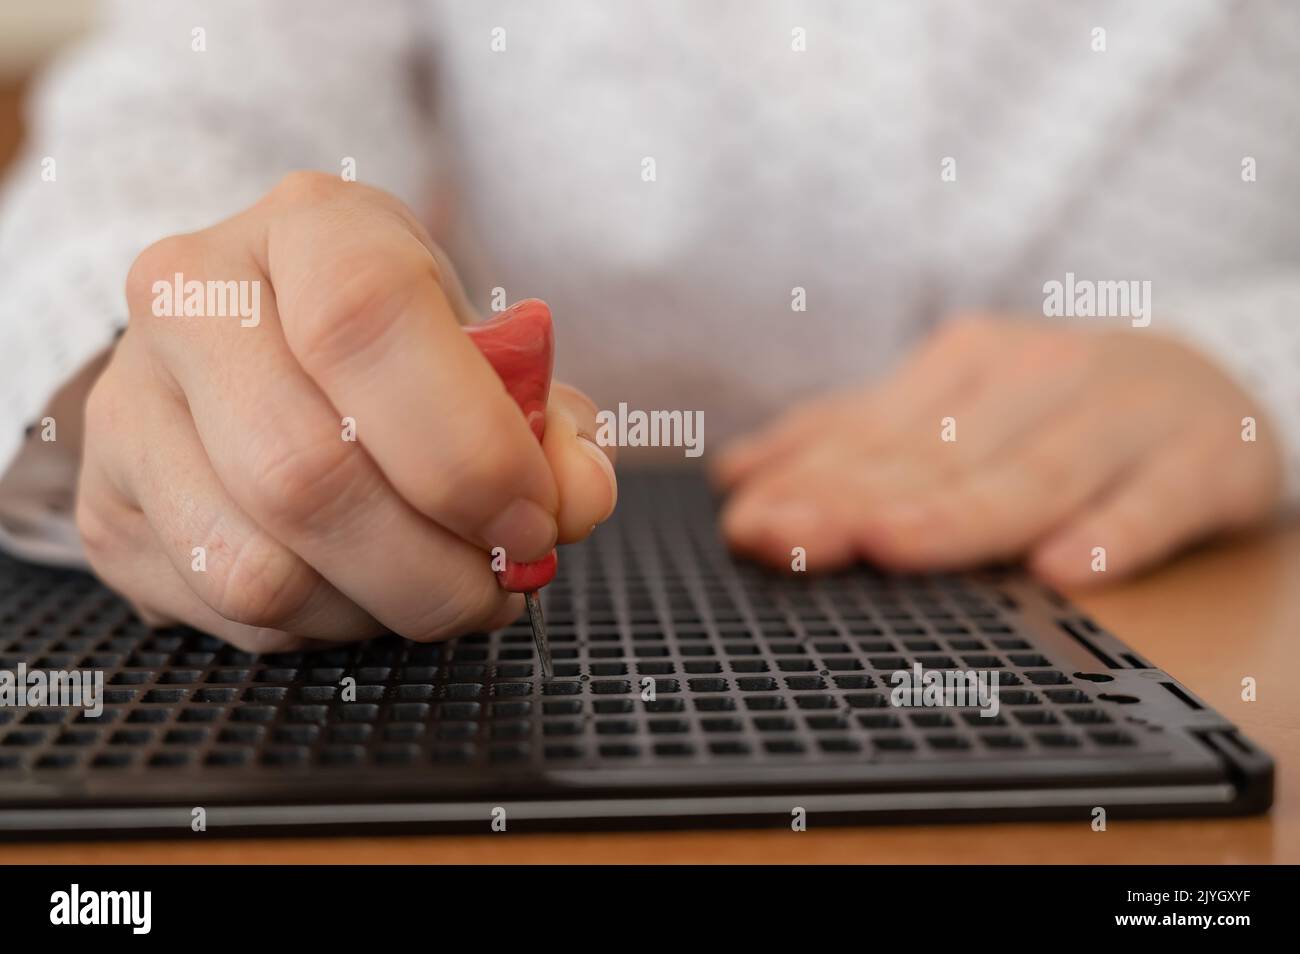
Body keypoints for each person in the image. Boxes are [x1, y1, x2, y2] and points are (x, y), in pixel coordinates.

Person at [0, 1, 1295, 653]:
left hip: (1184, 596)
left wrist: (1255, 373)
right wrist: (171, 366)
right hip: (525, 641)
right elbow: (172, 120)